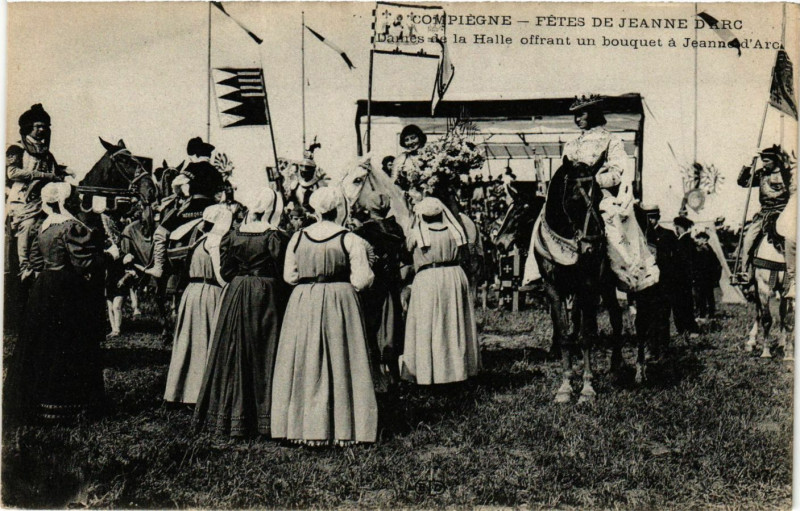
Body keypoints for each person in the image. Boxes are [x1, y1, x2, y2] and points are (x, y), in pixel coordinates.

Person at [271, 187, 377, 446]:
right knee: (342, 356)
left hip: (304, 298)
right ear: (337, 209)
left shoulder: (298, 237)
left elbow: (290, 277)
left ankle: (302, 426)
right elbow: (363, 280)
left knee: (305, 357)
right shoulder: (348, 238)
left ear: (315, 210)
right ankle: (343, 426)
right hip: (340, 298)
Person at [3, 183, 106, 424]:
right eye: (73, 198)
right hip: (67, 289)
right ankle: (69, 406)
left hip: (44, 288)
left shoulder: (44, 227)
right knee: (68, 343)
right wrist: (107, 256)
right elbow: (83, 263)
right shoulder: (70, 227)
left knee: (42, 343)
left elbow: (37, 261)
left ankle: (40, 405)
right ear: (65, 201)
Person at [194, 189, 288, 436]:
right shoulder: (275, 237)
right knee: (265, 350)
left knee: (234, 349)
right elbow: (283, 272)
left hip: (237, 291)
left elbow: (225, 272)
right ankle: (263, 418)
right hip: (265, 292)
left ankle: (230, 415)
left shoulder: (233, 234)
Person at [564, 95, 659, 292]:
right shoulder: (570, 144)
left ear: (593, 114)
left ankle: (628, 271)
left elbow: (618, 171)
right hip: (573, 196)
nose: (577, 119)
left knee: (614, 219)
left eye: (581, 114)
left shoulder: (611, 140)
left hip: (599, 195)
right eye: (575, 115)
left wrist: (593, 182)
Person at [400, 197, 481, 386]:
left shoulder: (416, 234)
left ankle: (431, 372)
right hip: (453, 277)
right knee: (453, 323)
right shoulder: (455, 231)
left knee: (430, 324)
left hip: (428, 279)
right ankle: (457, 371)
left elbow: (405, 254)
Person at [164, 205, 232, 406]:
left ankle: (180, 391)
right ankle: (201, 394)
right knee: (206, 342)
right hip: (209, 291)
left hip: (192, 292)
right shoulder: (215, 241)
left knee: (189, 343)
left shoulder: (199, 240)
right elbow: (220, 276)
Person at [145, 137, 223, 278]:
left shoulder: (192, 167)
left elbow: (175, 184)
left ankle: (158, 267)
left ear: (195, 155)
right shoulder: (216, 172)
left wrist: (183, 193)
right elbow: (219, 195)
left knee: (160, 232)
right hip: (212, 209)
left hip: (193, 208)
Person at [354, 192, 409, 392]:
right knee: (392, 329)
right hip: (392, 285)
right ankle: (394, 376)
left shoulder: (363, 232)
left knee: (372, 329)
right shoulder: (397, 228)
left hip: (372, 288)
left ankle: (375, 377)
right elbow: (406, 258)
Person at [735, 145, 791, 285]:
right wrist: (749, 165)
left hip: (784, 212)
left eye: (767, 161)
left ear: (775, 161)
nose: (764, 164)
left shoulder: (786, 174)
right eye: (763, 161)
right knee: (748, 239)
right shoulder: (761, 174)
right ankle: (745, 272)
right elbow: (743, 182)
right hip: (764, 214)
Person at [673, 215, 700, 336]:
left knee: (683, 304)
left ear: (679, 228)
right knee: (685, 303)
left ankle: (688, 328)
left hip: (681, 278)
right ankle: (686, 328)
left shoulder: (684, 242)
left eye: (676, 227)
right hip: (684, 279)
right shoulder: (688, 241)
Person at [693, 231, 722, 319]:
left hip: (704, 276)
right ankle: (710, 313)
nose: (697, 240)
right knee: (709, 296)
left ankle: (703, 314)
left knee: (703, 296)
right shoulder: (708, 248)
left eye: (699, 238)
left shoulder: (704, 248)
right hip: (708, 277)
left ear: (705, 239)